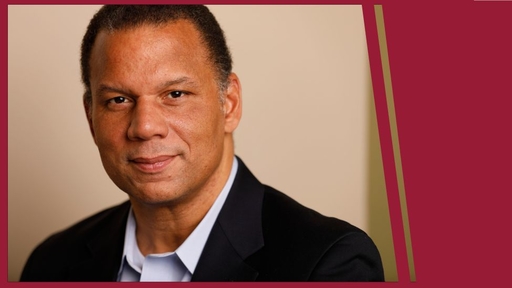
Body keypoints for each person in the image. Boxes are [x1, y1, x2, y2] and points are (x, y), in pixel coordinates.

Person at [20, 5, 384, 282]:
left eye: (175, 94)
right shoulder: (51, 263)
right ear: (91, 118)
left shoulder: (328, 264)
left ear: (230, 104)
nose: (145, 127)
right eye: (118, 100)